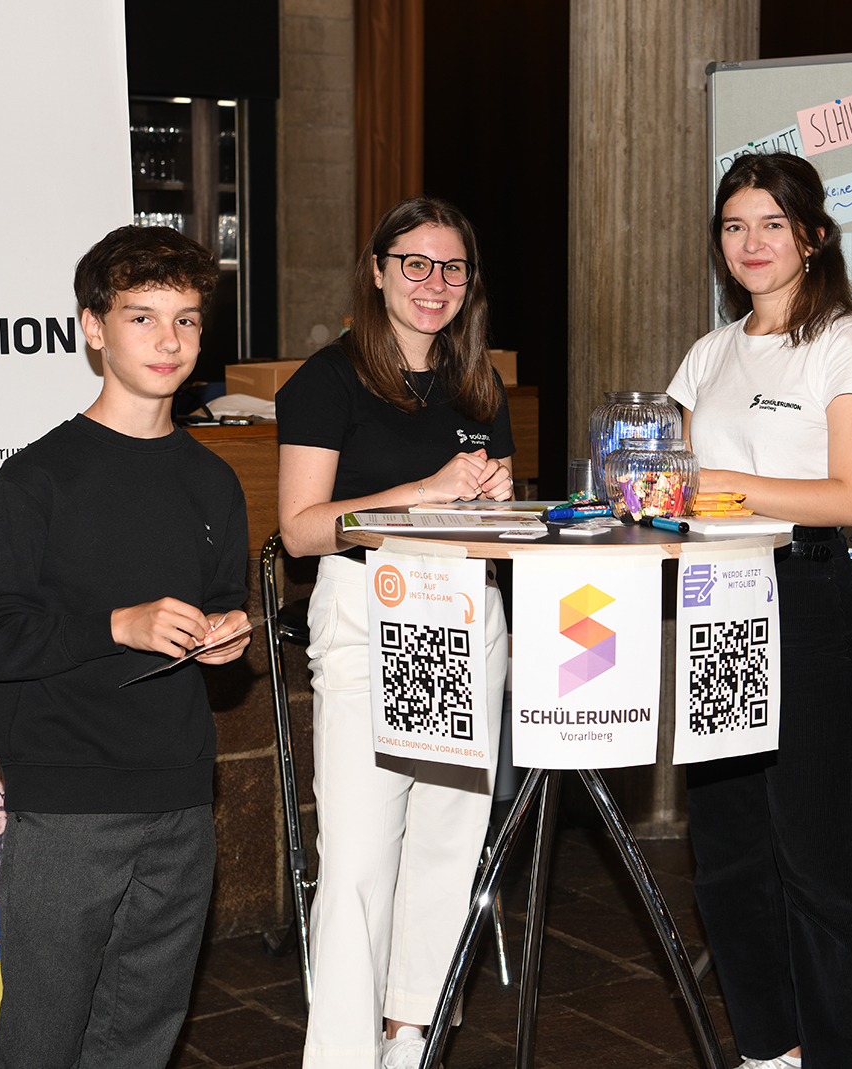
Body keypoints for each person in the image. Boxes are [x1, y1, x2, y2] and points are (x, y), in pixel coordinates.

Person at [0, 225, 252, 1069]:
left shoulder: (213, 480)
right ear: (93, 327)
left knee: (142, 1034)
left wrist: (226, 638)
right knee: (44, 1038)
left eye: (187, 319)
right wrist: (116, 625)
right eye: (142, 317)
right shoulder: (36, 479)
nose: (169, 340)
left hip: (181, 796)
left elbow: (224, 607)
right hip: (69, 804)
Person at [667, 152, 852, 1069]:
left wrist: (726, 484)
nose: (751, 242)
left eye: (772, 223)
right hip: (716, 599)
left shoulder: (845, 341)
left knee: (815, 858)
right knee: (728, 854)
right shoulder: (710, 352)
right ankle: (770, 1051)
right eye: (734, 225)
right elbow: (671, 481)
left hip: (803, 596)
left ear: (813, 237)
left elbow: (850, 499)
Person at [275, 196, 514, 1069]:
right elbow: (301, 530)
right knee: (359, 861)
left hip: (463, 615)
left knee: (449, 845)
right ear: (377, 271)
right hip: (370, 617)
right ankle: (344, 1054)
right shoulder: (327, 380)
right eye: (415, 263)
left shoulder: (478, 382)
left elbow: (494, 521)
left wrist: (497, 501)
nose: (433, 283)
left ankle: (412, 1034)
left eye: (452, 267)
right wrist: (424, 492)